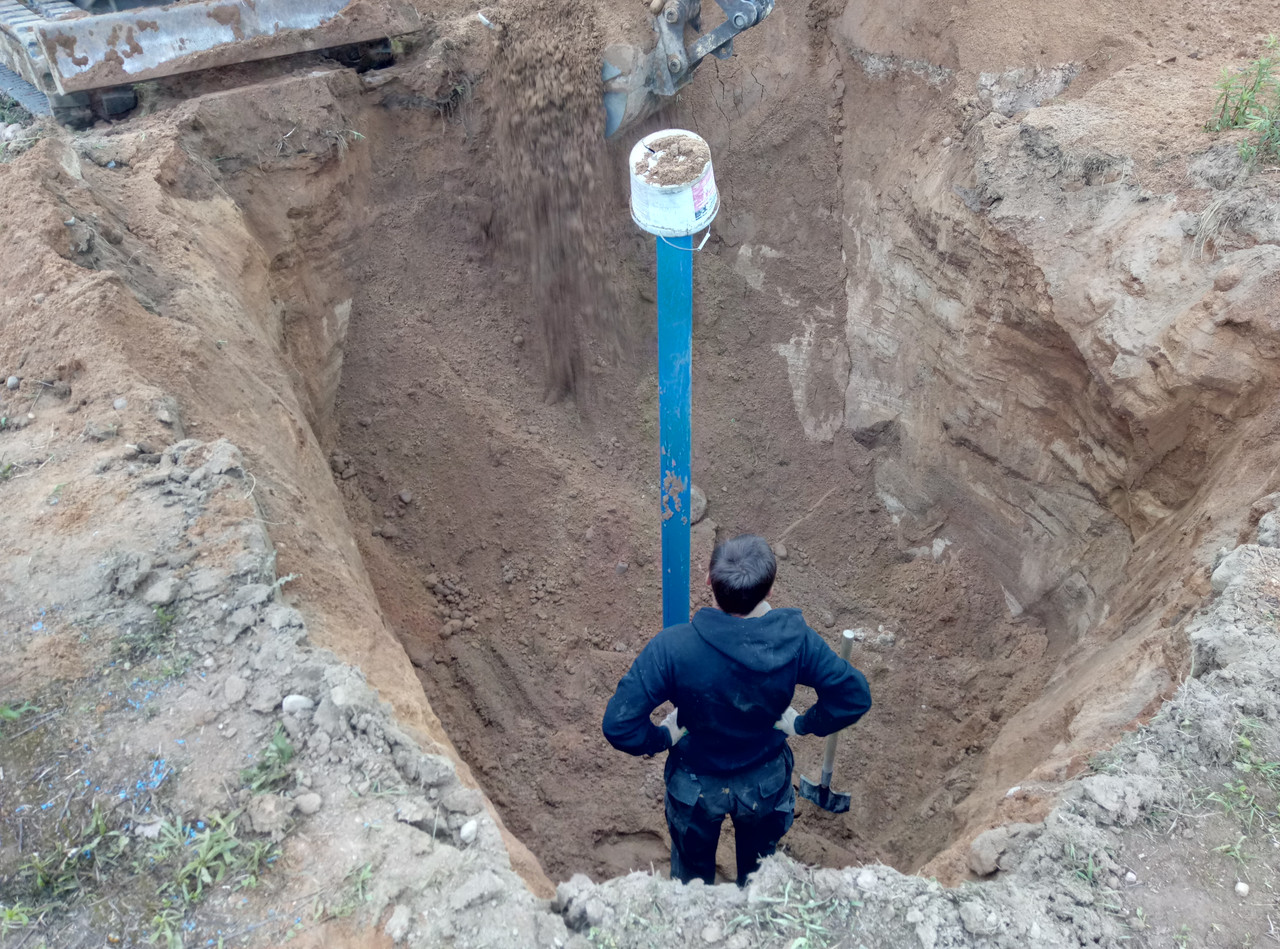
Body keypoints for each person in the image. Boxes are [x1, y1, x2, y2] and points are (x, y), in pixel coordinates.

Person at [602, 533, 872, 886]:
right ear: (771, 590)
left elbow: (619, 725)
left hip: (694, 785)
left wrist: (663, 735)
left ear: (708, 582)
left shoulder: (673, 648)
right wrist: (803, 724)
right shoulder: (796, 641)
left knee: (690, 887)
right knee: (760, 881)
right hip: (764, 782)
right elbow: (854, 695)